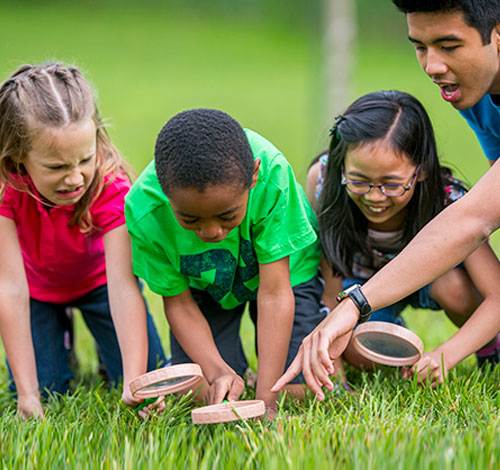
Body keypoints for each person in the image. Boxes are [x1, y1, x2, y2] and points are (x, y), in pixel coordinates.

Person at [272, 91, 500, 400]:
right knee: (361, 353)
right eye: (359, 180)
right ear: (341, 167)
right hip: (357, 286)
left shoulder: (447, 201)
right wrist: (334, 378)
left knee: (455, 288)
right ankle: (393, 333)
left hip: (434, 283)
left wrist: (446, 354)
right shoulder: (324, 181)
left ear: (422, 171)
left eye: (392, 184)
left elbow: (497, 297)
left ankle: (489, 347)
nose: (374, 197)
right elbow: (328, 283)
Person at [124, 108, 326, 417]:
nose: (211, 232)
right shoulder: (145, 210)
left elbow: (274, 293)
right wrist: (218, 371)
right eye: (190, 219)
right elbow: (177, 303)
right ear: (166, 194)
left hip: (284, 279)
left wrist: (267, 399)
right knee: (201, 389)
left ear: (254, 176)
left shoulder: (272, 174)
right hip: (207, 287)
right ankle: (231, 372)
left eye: (227, 215)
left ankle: (263, 381)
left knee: (300, 388)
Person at [0, 62, 167, 419]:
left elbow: (123, 287)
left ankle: (112, 359)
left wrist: (135, 378)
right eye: (57, 167)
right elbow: (11, 289)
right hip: (38, 292)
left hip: (100, 286)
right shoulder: (7, 189)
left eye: (85, 159)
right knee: (46, 392)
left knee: (151, 377)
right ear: (19, 160)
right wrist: (27, 394)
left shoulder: (111, 186)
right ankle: (61, 344)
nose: (75, 178)